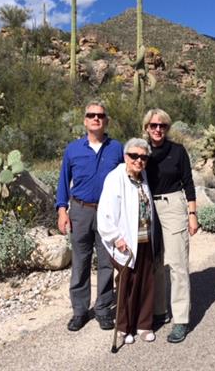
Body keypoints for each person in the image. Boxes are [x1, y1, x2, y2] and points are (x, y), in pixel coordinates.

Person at [56, 101, 124, 332]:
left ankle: (104, 310)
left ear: (106, 121)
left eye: (100, 115)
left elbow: (127, 180)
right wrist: (62, 210)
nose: (96, 118)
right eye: (91, 115)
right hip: (80, 211)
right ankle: (80, 311)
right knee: (80, 262)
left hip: (108, 213)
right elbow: (63, 181)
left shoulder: (117, 148)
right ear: (85, 120)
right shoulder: (73, 149)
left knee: (106, 262)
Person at [143, 108, 199, 343]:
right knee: (155, 263)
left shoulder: (177, 151)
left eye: (162, 126)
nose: (158, 129)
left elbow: (188, 181)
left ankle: (181, 320)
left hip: (173, 205)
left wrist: (192, 213)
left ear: (167, 128)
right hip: (147, 208)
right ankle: (158, 312)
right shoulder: (141, 152)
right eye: (153, 125)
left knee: (176, 264)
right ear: (146, 127)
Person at [97, 138, 157, 344]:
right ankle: (124, 327)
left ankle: (143, 324)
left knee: (146, 282)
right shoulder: (115, 178)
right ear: (125, 156)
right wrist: (116, 238)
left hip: (145, 238)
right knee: (126, 284)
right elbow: (105, 213)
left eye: (143, 157)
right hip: (126, 241)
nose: (138, 160)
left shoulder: (144, 177)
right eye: (134, 156)